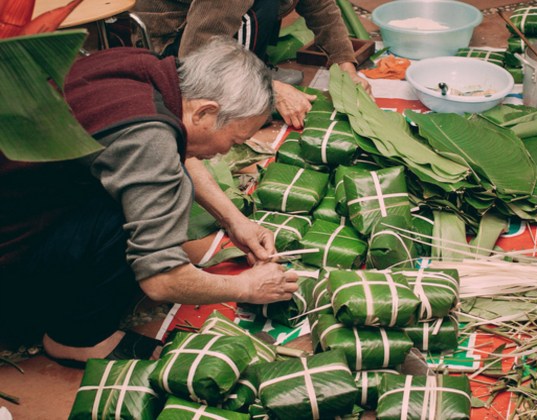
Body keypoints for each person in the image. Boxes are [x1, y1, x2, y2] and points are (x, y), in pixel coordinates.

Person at [0, 37, 298, 367]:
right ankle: (77, 339)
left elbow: (173, 148)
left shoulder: (145, 69)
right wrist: (245, 287)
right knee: (148, 208)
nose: (228, 151)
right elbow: (162, 279)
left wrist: (234, 220)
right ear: (205, 112)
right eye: (234, 139)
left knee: (162, 190)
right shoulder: (149, 140)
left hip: (24, 209)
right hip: (11, 269)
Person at [133, 0, 372, 128]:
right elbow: (196, 54)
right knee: (260, 5)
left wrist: (345, 67)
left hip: (205, 35)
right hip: (174, 49)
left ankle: (254, 73)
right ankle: (248, 84)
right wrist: (269, 89)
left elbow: (321, 6)